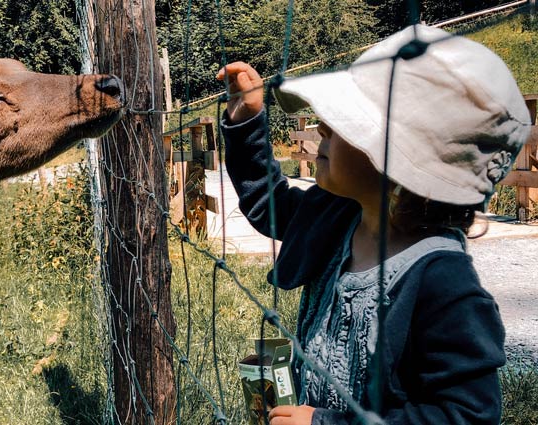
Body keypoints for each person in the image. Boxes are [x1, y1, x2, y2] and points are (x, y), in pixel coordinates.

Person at [217, 24, 532, 425]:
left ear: (405, 163)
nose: (324, 126)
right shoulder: (338, 216)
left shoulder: (444, 284)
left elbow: (466, 415)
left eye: (347, 120)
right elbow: (270, 206)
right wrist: (247, 124)